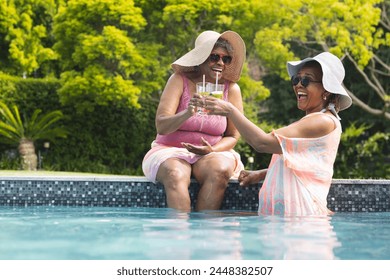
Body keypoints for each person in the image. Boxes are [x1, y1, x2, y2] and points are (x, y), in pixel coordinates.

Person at [197, 52, 352, 215]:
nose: (299, 85)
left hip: (300, 218)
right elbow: (304, 166)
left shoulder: (322, 121)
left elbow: (262, 143)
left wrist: (230, 110)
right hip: (293, 218)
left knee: (214, 219)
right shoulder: (319, 120)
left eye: (306, 80)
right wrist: (262, 174)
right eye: (296, 79)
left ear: (326, 90)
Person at [142, 30, 246, 212]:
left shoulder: (232, 89)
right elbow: (161, 125)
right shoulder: (178, 80)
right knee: (175, 174)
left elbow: (233, 136)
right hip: (170, 150)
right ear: (202, 57)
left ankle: (205, 233)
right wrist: (187, 113)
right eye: (214, 57)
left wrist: (212, 149)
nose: (220, 63)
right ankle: (181, 235)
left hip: (213, 152)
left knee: (220, 171)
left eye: (226, 59)